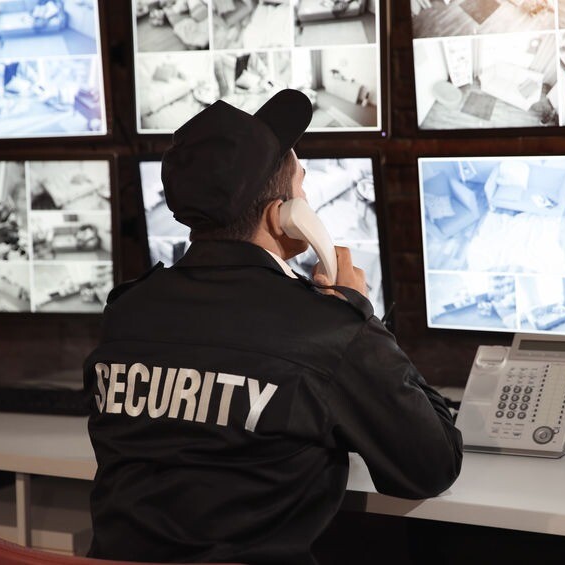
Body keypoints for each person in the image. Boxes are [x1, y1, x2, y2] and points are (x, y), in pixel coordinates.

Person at [83, 89, 463, 564]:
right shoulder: (325, 328)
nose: (307, 197)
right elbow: (432, 466)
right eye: (302, 186)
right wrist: (360, 317)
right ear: (282, 216)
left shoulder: (127, 312)